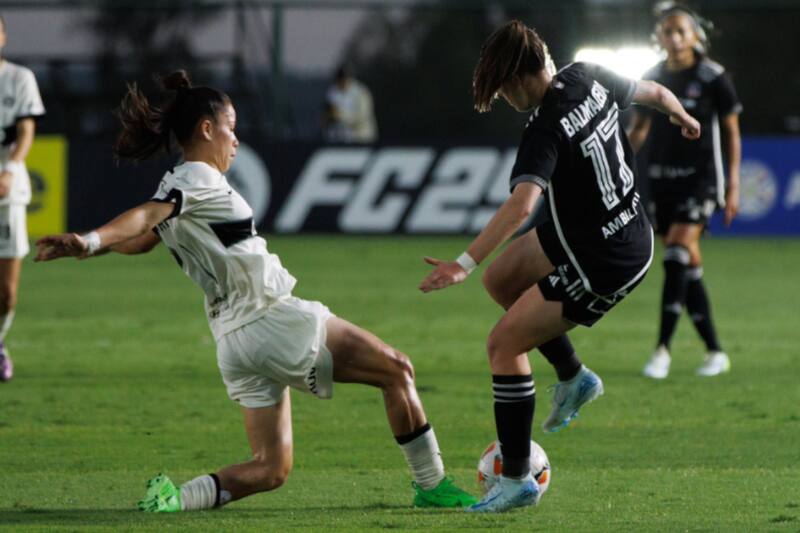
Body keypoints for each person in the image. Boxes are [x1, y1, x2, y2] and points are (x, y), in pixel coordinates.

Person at [34, 70, 475, 512]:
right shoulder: (196, 179)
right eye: (232, 127)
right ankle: (432, 484)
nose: (236, 140)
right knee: (398, 370)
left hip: (233, 341)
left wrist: (90, 248)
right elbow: (146, 217)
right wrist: (91, 239)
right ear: (207, 129)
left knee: (271, 468)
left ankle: (173, 500)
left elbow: (146, 236)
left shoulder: (176, 184)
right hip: (270, 317)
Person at [419, 20, 700, 513]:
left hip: (607, 257)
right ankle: (574, 377)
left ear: (521, 77)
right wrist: (680, 113)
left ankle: (518, 479)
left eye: (503, 87)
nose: (504, 97)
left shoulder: (545, 127)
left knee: (503, 344)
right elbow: (652, 90)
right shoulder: (586, 73)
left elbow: (522, 205)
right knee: (501, 279)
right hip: (597, 226)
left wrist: (462, 262)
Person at [628, 3, 742, 379]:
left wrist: (733, 185)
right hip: (660, 182)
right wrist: (617, 164)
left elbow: (730, 131)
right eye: (667, 32)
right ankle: (714, 351)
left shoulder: (713, 77)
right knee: (686, 266)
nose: (674, 38)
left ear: (695, 35)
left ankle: (661, 349)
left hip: (701, 180)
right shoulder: (652, 76)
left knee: (676, 253)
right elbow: (640, 128)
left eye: (681, 31)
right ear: (658, 38)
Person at [0, 14, 46, 382]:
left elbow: (26, 129)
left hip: (7, 192)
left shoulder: (19, 79)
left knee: (7, 294)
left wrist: (11, 168)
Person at [323, 64, 377, 143]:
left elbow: (362, 118)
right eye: (339, 79)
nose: (342, 82)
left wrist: (339, 115)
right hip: (339, 141)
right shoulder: (332, 93)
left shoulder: (361, 92)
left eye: (344, 78)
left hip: (362, 140)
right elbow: (326, 117)